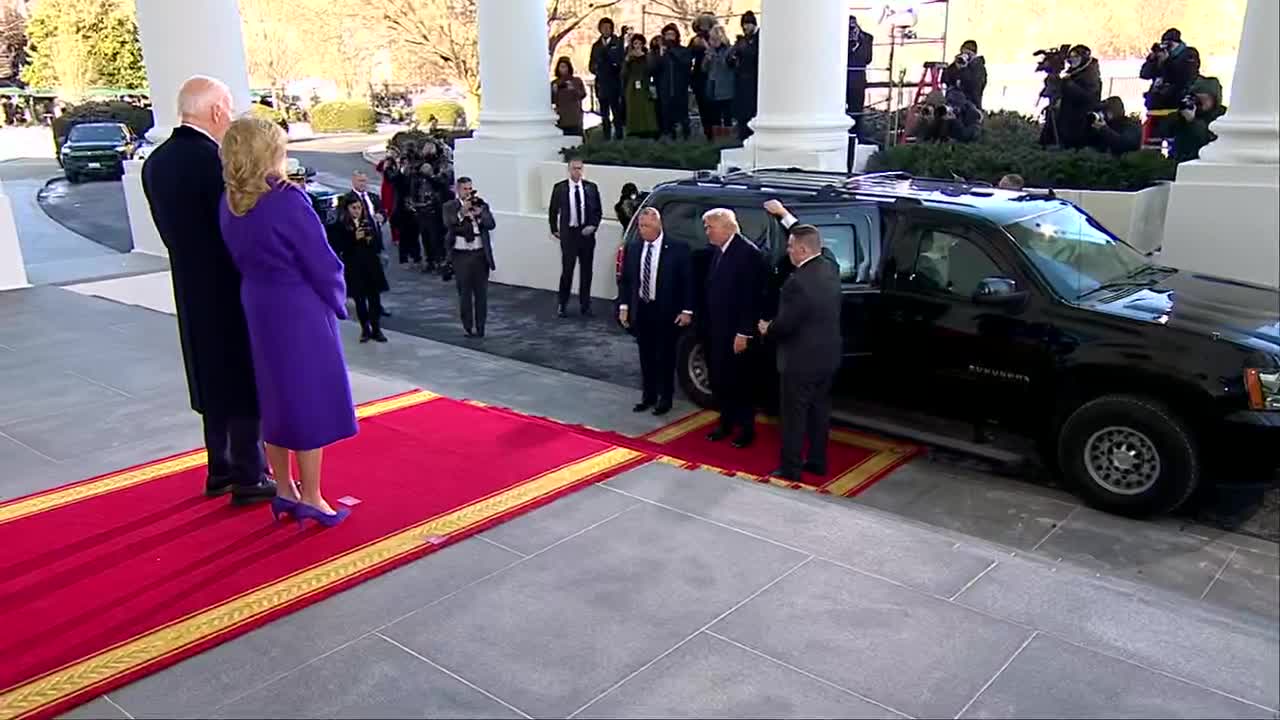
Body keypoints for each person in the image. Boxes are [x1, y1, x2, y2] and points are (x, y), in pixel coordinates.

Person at [218, 116, 357, 528]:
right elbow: (320, 260)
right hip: (297, 307)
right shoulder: (285, 199)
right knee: (307, 397)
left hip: (258, 302)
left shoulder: (228, 200)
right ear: (269, 152)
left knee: (275, 396)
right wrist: (337, 299)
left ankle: (284, 489)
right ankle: (312, 497)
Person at [141, 76, 274, 505]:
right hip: (231, 285)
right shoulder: (215, 163)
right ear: (216, 111)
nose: (231, 116)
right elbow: (239, 225)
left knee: (208, 374)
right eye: (229, 107)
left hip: (189, 283)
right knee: (240, 377)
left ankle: (218, 467)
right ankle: (248, 474)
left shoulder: (155, 162)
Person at [757, 223, 842, 482]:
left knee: (794, 416)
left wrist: (766, 328)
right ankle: (817, 461)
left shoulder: (798, 283)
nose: (788, 250)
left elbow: (786, 324)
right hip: (827, 358)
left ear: (803, 250)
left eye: (791, 246)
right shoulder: (829, 267)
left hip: (799, 361)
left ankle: (790, 468)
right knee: (819, 412)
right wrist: (785, 217)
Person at [617, 208, 694, 416]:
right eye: (640, 226)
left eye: (647, 226)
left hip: (666, 310)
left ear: (658, 225)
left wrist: (687, 310)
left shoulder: (678, 249)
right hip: (642, 310)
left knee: (665, 356)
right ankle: (648, 396)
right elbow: (625, 281)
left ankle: (665, 398)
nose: (642, 230)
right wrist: (624, 307)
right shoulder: (634, 248)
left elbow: (688, 282)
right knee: (646, 355)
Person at [701, 208, 767, 448]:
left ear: (726, 226)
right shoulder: (718, 251)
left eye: (710, 227)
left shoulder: (748, 254)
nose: (706, 232)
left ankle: (746, 429)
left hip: (737, 333)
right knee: (720, 380)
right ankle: (725, 423)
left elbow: (751, 298)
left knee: (741, 382)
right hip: (717, 330)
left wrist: (744, 333)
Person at [548, 157, 603, 318]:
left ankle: (585, 305)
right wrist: (554, 229)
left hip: (586, 235)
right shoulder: (560, 188)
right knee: (567, 270)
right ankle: (562, 304)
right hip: (569, 234)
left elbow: (597, 211)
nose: (577, 171)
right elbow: (553, 210)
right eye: (574, 168)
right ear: (569, 170)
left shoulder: (591, 188)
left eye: (579, 168)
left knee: (586, 271)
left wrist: (593, 226)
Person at [443, 176, 496, 337]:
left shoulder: (480, 204)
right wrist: (462, 213)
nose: (468, 192)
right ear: (458, 190)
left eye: (470, 188)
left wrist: (479, 215)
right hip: (461, 255)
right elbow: (449, 223)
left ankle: (481, 327)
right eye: (465, 189)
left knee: (481, 294)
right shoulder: (449, 206)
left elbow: (491, 224)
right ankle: (468, 326)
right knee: (465, 293)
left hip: (480, 254)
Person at [333, 196, 390, 343]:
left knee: (374, 299)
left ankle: (377, 329)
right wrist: (353, 238)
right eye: (354, 208)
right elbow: (339, 247)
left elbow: (378, 244)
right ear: (347, 209)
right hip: (354, 266)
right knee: (360, 300)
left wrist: (371, 239)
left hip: (371, 265)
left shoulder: (368, 221)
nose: (357, 211)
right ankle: (365, 329)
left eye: (359, 208)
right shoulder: (340, 225)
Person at [1141, 28, 1201, 138]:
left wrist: (1167, 62)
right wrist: (1152, 59)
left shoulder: (1189, 55)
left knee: (1174, 143)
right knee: (1152, 145)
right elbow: (1144, 74)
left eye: (1169, 45)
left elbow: (1183, 77)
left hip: (1175, 109)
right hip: (1156, 108)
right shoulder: (1160, 59)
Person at [1042, 44, 1101, 150]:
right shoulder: (1073, 75)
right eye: (1071, 59)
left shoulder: (1091, 74)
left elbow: (1088, 97)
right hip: (1067, 117)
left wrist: (1068, 85)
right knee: (1053, 115)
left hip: (1081, 120)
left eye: (1076, 58)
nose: (1073, 62)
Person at [1171, 76, 1226, 163]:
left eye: (1205, 99)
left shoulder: (1223, 117)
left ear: (1215, 100)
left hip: (1206, 162)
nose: (1200, 102)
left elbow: (1207, 140)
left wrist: (1192, 121)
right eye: (1197, 98)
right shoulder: (1187, 111)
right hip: (1182, 160)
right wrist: (1179, 114)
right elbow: (1166, 130)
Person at [588, 17, 626, 140]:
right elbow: (591, 65)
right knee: (604, 114)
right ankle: (606, 137)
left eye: (608, 27)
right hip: (601, 83)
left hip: (615, 82)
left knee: (617, 112)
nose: (606, 30)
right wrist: (596, 68)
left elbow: (621, 61)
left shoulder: (618, 43)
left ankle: (619, 137)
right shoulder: (596, 45)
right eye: (603, 28)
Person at [653, 23, 693, 141]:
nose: (670, 37)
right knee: (666, 115)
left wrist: (671, 52)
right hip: (664, 89)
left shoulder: (683, 50)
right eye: (667, 35)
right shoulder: (660, 52)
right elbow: (654, 69)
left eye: (672, 34)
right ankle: (669, 137)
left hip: (680, 88)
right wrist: (660, 54)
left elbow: (686, 64)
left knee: (683, 115)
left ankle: (686, 138)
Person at [728, 11, 760, 141]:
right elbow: (729, 61)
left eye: (748, 24)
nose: (745, 27)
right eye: (744, 24)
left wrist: (743, 48)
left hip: (753, 81)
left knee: (751, 112)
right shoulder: (742, 41)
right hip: (741, 82)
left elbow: (754, 55)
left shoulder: (758, 38)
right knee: (742, 115)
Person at [701, 25, 736, 140]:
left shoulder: (729, 50)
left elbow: (727, 64)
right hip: (712, 87)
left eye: (716, 39)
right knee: (714, 116)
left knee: (727, 116)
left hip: (726, 88)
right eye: (712, 39)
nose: (713, 42)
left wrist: (714, 56)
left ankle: (728, 140)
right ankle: (716, 140)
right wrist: (707, 59)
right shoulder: (709, 51)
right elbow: (704, 69)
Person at [622, 34, 660, 139]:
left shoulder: (648, 55)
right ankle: (634, 130)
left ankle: (649, 129)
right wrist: (627, 60)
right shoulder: (629, 56)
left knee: (646, 107)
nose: (637, 45)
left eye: (640, 43)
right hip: (632, 85)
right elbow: (623, 74)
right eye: (635, 43)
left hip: (645, 84)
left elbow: (651, 69)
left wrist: (644, 56)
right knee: (633, 107)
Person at [688, 13, 717, 141]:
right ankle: (708, 134)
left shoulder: (715, 37)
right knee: (703, 108)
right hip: (699, 77)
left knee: (712, 108)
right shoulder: (695, 40)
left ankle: (715, 135)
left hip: (713, 76)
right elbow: (689, 57)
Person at [846, 16, 875, 143]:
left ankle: (857, 136)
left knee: (856, 111)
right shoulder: (839, 37)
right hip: (841, 80)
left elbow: (867, 59)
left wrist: (856, 45)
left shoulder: (867, 38)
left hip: (857, 80)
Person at [942, 39, 988, 111]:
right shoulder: (957, 65)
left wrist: (964, 69)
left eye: (968, 54)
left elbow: (974, 86)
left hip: (971, 105)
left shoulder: (979, 67)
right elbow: (944, 78)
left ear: (974, 54)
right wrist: (955, 66)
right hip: (953, 103)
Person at [551, 56, 587, 136]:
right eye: (561, 67)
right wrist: (554, 91)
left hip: (574, 115)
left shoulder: (576, 81)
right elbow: (552, 100)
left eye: (565, 67)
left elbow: (582, 94)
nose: (563, 70)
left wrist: (573, 89)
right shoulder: (555, 83)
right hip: (562, 116)